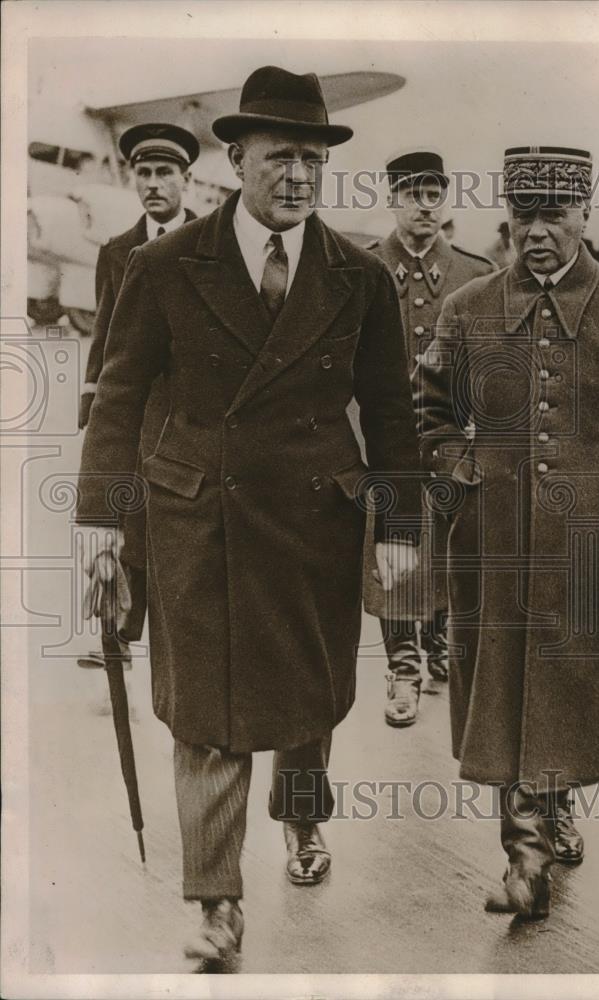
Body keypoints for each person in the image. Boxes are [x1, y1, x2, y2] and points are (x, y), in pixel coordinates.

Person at [76, 65, 420, 964]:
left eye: (313, 159)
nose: (299, 177)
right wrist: (105, 522)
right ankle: (217, 904)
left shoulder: (359, 278)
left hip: (314, 521)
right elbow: (117, 398)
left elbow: (390, 412)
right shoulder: (162, 265)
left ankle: (303, 821)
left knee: (306, 702)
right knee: (207, 713)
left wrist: (401, 528)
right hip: (198, 520)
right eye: (281, 158)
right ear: (238, 159)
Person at [414, 145, 599, 920]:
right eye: (525, 215)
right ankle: (523, 860)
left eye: (555, 214)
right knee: (505, 692)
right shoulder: (466, 308)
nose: (539, 231)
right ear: (509, 217)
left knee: (570, 689)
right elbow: (431, 414)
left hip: (595, 542)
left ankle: (555, 804)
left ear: (583, 215)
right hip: (494, 543)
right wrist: (458, 466)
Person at [364, 151, 494, 727]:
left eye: (433, 192)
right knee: (391, 547)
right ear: (391, 199)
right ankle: (402, 665)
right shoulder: (361, 267)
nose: (423, 203)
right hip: (382, 437)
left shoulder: (477, 272)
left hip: (453, 436)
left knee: (446, 542)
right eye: (411, 192)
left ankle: (438, 641)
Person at [77, 123, 199, 687]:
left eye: (164, 174)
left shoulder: (210, 243)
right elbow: (104, 329)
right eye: (144, 174)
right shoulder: (117, 251)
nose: (153, 184)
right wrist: (92, 399)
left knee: (180, 521)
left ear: (186, 180)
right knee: (126, 514)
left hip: (190, 409)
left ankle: (181, 643)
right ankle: (119, 635)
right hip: (137, 407)